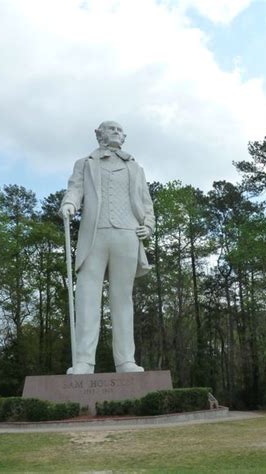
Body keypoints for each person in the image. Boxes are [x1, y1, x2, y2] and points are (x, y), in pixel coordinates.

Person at [59, 121, 155, 374]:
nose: (115, 132)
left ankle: (126, 361)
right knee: (87, 298)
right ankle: (83, 361)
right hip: (94, 235)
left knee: (122, 299)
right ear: (98, 134)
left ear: (124, 136)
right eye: (110, 128)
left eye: (119, 129)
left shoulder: (135, 168)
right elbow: (75, 189)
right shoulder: (85, 163)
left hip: (127, 235)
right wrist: (69, 204)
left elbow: (146, 203)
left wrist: (150, 226)